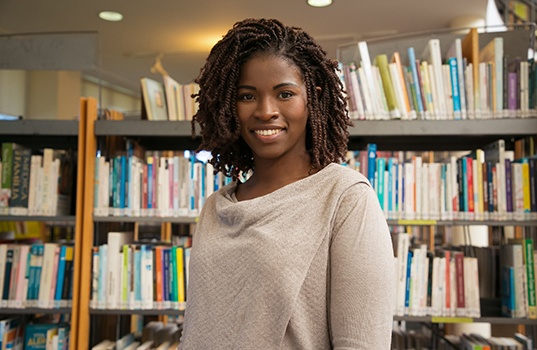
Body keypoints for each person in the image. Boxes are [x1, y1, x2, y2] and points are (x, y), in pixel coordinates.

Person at [179, 18, 394, 349]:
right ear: (228, 105)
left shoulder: (345, 198)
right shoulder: (216, 207)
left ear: (312, 99)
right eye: (247, 96)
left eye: (285, 94)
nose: (266, 111)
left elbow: (362, 342)